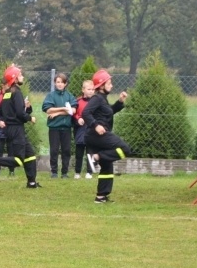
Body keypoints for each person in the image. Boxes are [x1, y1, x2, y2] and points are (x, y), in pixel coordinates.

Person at [0, 65, 40, 189]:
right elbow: (20, 113)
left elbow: (9, 111)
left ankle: (31, 183)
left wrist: (26, 108)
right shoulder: (17, 92)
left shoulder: (8, 93)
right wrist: (30, 118)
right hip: (16, 129)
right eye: (20, 75)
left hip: (11, 128)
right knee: (19, 160)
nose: (22, 76)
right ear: (14, 79)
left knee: (30, 155)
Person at [83, 69, 132, 203]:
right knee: (125, 149)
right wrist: (96, 125)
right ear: (102, 85)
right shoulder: (97, 98)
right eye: (109, 83)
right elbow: (85, 113)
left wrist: (120, 102)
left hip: (98, 134)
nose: (112, 85)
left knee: (107, 165)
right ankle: (96, 157)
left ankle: (101, 197)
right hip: (95, 135)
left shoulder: (102, 99)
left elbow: (108, 112)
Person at [41, 72, 77, 178]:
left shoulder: (69, 96)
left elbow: (73, 111)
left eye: (62, 82)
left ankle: (65, 172)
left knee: (66, 150)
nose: (60, 84)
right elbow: (48, 110)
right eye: (58, 82)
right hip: (54, 128)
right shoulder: (51, 96)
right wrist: (64, 108)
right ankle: (54, 172)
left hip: (66, 128)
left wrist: (57, 113)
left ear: (65, 84)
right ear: (55, 83)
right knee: (54, 150)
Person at [72, 80, 95, 179]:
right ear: (83, 90)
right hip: (80, 130)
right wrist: (78, 119)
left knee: (90, 152)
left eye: (93, 89)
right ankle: (77, 172)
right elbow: (73, 114)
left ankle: (89, 172)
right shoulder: (78, 101)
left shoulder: (96, 102)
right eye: (89, 89)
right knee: (79, 153)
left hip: (91, 130)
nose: (91, 91)